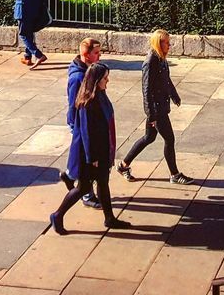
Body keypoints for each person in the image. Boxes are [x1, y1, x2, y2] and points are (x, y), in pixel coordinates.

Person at [49, 63, 130, 233]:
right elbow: (86, 134)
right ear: (96, 80)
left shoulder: (100, 94)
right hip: (90, 156)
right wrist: (92, 158)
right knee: (83, 188)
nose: (108, 81)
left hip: (101, 151)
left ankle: (109, 218)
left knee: (103, 183)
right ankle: (57, 215)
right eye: (105, 78)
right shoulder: (88, 102)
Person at [117, 30, 193, 185]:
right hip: (157, 110)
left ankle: (124, 166)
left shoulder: (161, 58)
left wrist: (174, 94)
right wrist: (151, 114)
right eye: (166, 42)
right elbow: (146, 90)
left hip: (160, 106)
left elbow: (166, 79)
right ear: (158, 43)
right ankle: (174, 174)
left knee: (149, 138)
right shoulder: (150, 61)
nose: (169, 45)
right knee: (169, 139)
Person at [62, 37, 104, 209]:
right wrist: (74, 125)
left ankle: (70, 176)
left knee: (81, 157)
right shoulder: (77, 77)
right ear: (86, 54)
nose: (99, 56)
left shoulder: (87, 70)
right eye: (96, 53)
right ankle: (87, 194)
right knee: (86, 159)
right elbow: (73, 103)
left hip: (86, 122)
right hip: (80, 124)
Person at [11, 0, 49, 68]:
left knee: (23, 34)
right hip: (36, 9)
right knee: (30, 33)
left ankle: (38, 54)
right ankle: (27, 57)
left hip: (23, 10)